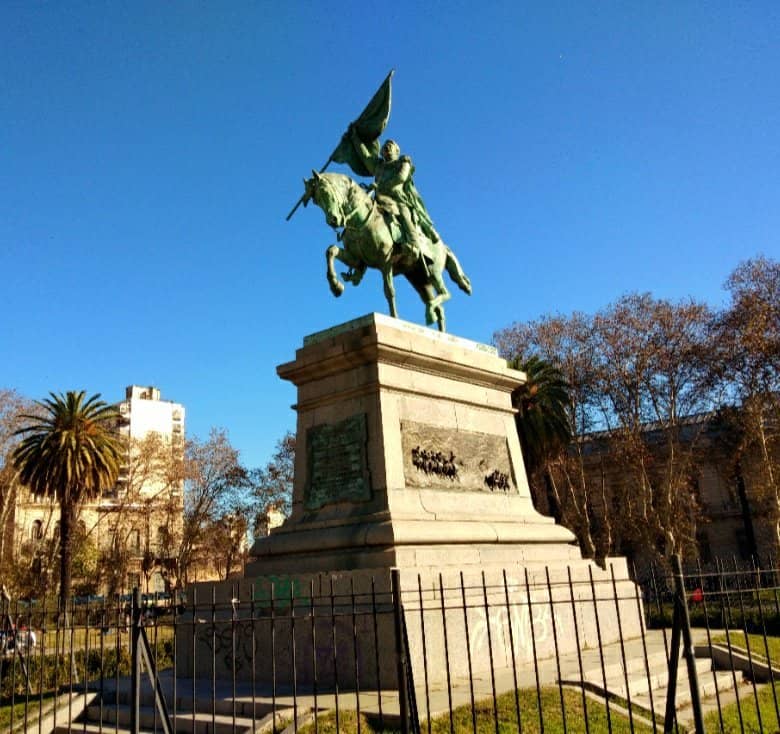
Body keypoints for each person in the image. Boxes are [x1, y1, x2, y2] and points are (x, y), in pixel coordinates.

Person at [349, 129, 440, 263]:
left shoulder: (403, 162)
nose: (387, 148)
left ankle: (414, 245)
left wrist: (380, 186)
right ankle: (359, 261)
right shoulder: (378, 166)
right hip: (379, 201)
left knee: (404, 214)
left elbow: (400, 178)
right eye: (385, 147)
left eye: (390, 146)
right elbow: (365, 155)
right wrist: (355, 138)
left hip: (398, 199)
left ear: (397, 151)